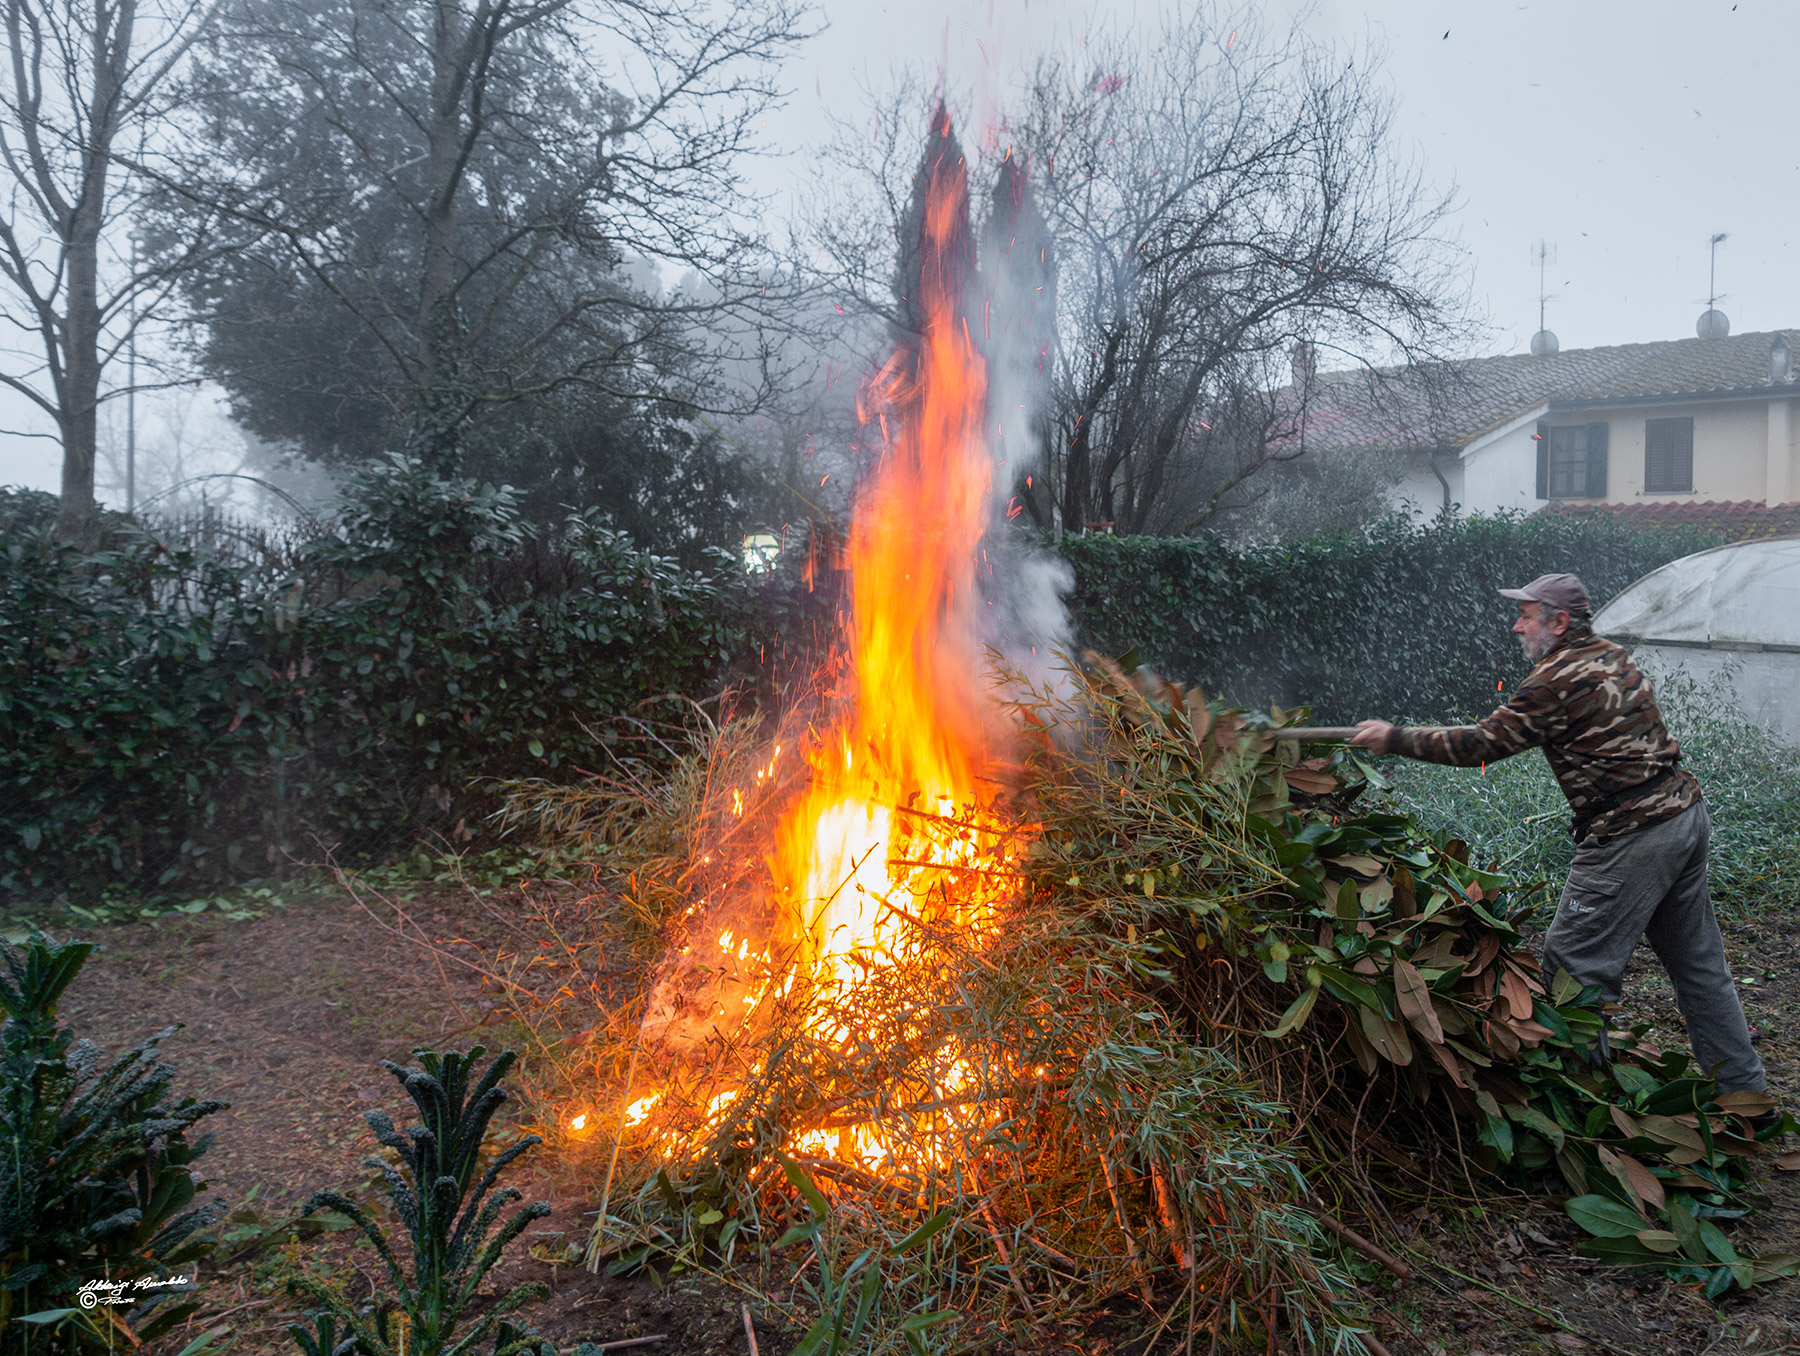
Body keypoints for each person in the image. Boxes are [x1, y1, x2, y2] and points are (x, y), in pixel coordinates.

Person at [1347, 572, 1770, 1107]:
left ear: (1559, 622)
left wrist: (1394, 738)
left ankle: (1579, 1108)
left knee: (1575, 966)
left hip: (1631, 832)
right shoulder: (1611, 654)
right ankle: (1745, 1098)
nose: (1516, 625)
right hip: (1683, 814)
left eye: (1525, 615)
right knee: (1699, 964)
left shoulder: (1554, 679)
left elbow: (1483, 744)